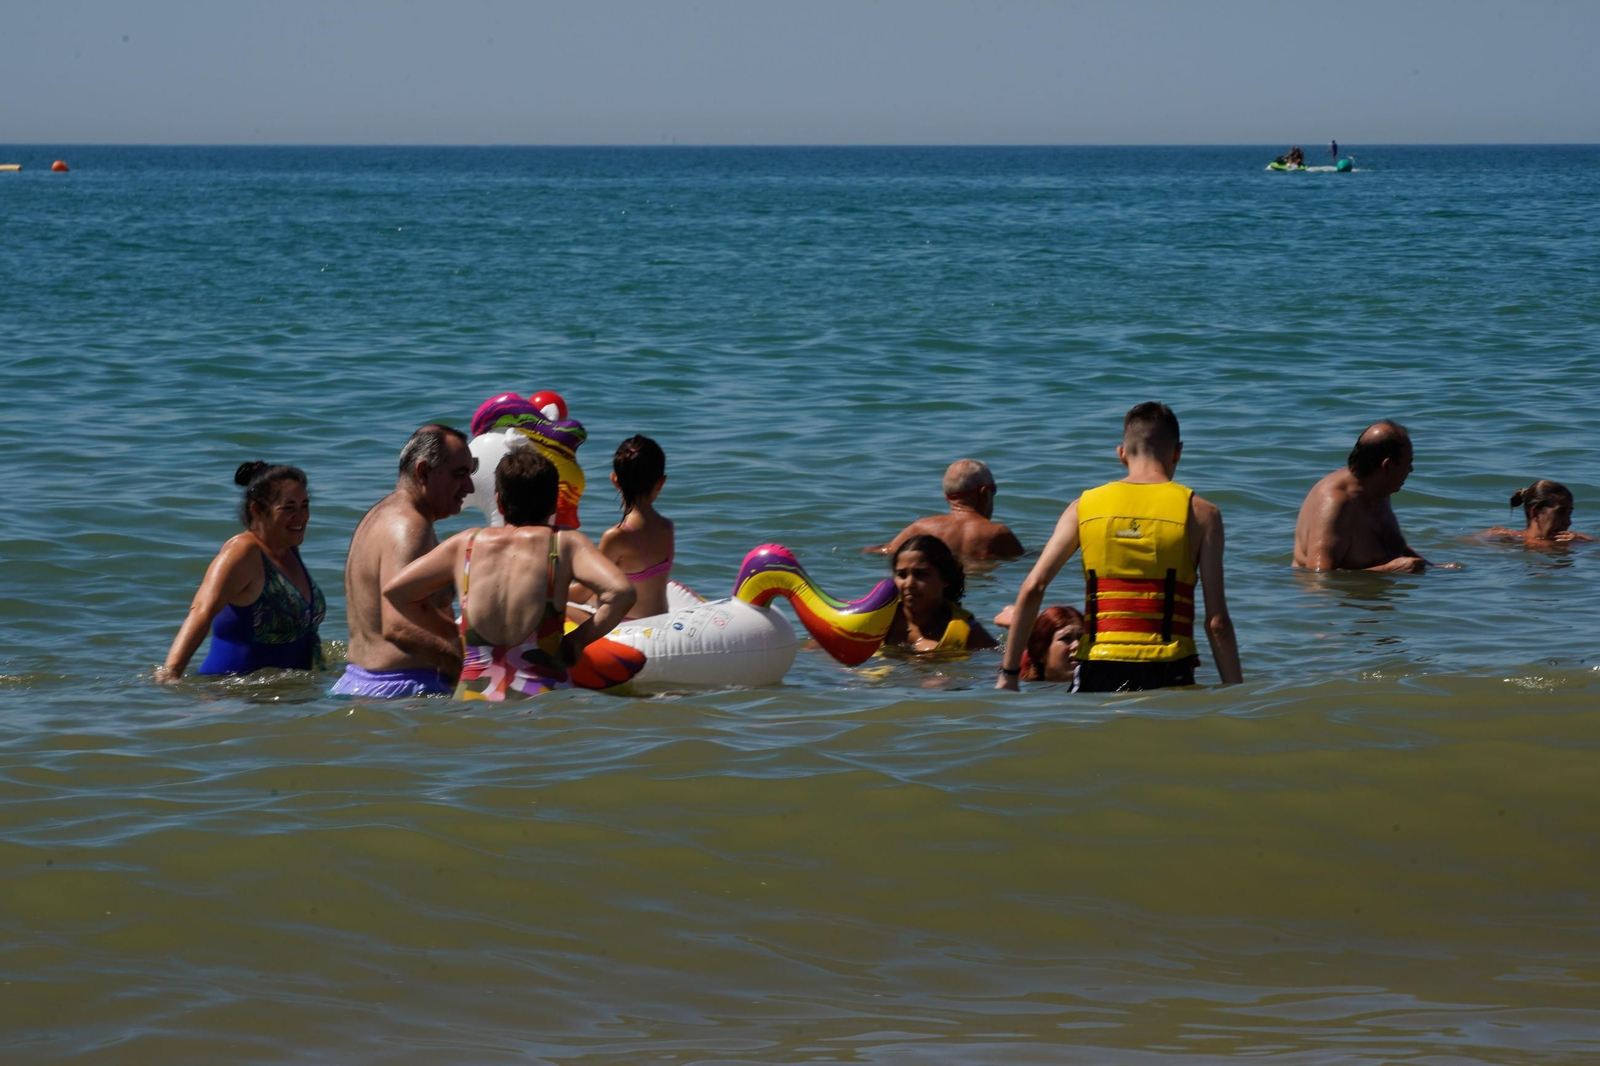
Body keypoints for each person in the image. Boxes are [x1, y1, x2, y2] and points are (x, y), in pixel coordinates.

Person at [996, 402, 1242, 693]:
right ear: (1178, 452)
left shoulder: (1083, 507)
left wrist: (1009, 675)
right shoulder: (1202, 514)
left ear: (1122, 455)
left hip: (1097, 669)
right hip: (1168, 669)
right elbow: (1217, 623)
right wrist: (1237, 698)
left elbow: (1033, 587)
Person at [383, 448, 635, 702]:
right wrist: (576, 641)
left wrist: (449, 633)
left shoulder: (465, 544)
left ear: (500, 503)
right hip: (542, 698)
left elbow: (397, 591)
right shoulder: (563, 544)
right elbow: (621, 592)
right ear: (553, 504)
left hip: (472, 698)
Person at [332, 425, 477, 699]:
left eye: (470, 474)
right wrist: (463, 670)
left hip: (359, 683)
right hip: (403, 691)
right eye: (460, 475)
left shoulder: (380, 514)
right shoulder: (409, 528)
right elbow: (398, 627)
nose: (469, 487)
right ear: (423, 472)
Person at [155, 462, 324, 680]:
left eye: (304, 505)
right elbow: (201, 611)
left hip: (285, 700)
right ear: (257, 510)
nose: (300, 516)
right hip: (234, 698)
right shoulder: (244, 551)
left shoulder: (288, 548)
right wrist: (171, 673)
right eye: (288, 508)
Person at [1293, 421, 1456, 572]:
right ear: (1387, 466)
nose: (1411, 470)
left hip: (1371, 597)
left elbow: (1396, 547)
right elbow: (1318, 579)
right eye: (1408, 463)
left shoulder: (1379, 491)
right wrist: (1389, 570)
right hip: (1341, 601)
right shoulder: (1335, 504)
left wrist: (1434, 567)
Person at [868, 459, 1024, 565]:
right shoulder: (997, 533)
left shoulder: (920, 528)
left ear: (947, 497)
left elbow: (881, 551)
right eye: (993, 490)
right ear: (984, 493)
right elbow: (1022, 561)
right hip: (982, 591)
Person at [594, 435, 675, 619]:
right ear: (661, 483)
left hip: (627, 630)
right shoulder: (667, 528)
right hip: (660, 622)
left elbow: (585, 591)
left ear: (615, 480)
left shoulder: (616, 536)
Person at [884, 534, 997, 653]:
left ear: (945, 578)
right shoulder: (880, 618)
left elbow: (1001, 662)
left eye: (921, 574)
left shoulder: (969, 632)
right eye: (902, 575)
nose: (909, 583)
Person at [1482, 480, 1592, 545]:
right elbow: (1469, 542)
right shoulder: (1506, 538)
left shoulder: (1573, 541)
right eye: (1561, 512)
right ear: (1535, 512)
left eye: (1569, 514)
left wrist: (1582, 539)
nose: (1568, 522)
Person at [993, 604, 1084, 683]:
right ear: (1041, 654)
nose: (1077, 644)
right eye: (1066, 638)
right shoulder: (1017, 683)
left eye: (1082, 638)